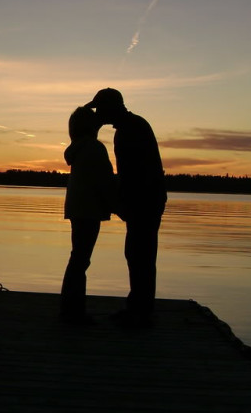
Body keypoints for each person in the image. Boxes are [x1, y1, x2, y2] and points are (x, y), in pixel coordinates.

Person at [85, 88, 166, 327]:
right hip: (146, 199)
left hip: (145, 201)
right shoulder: (133, 125)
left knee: (140, 254)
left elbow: (134, 173)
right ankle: (139, 308)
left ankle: (140, 312)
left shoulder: (130, 129)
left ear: (111, 108)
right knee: (139, 254)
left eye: (100, 109)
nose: (98, 113)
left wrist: (123, 202)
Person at [60, 106, 115, 325]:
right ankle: (73, 312)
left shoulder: (78, 148)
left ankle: (70, 308)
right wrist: (118, 205)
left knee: (78, 258)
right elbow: (105, 181)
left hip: (78, 208)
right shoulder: (94, 148)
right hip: (89, 209)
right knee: (80, 259)